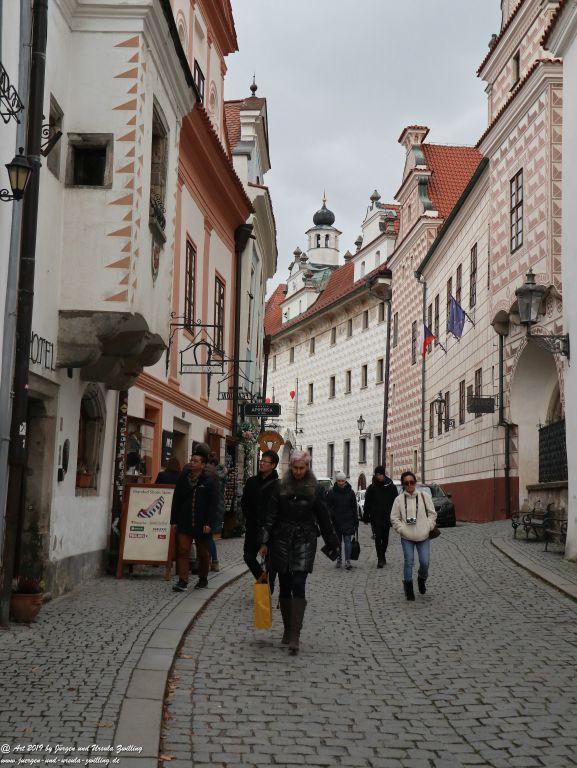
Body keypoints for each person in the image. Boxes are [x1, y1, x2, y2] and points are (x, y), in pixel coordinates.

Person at [259, 450, 339, 655]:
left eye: (301, 468)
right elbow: (270, 515)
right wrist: (264, 541)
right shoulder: (280, 486)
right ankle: (287, 628)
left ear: (307, 467)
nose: (298, 472)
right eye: (295, 468)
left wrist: (332, 542)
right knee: (285, 585)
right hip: (282, 539)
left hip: (305, 539)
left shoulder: (315, 488)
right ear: (290, 467)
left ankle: (295, 633)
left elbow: (324, 517)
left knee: (299, 583)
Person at [170, 448, 218, 592]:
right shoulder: (183, 478)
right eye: (191, 460)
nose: (192, 463)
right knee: (183, 550)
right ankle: (183, 581)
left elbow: (213, 504)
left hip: (201, 523)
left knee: (203, 553)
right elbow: (176, 500)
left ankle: (203, 578)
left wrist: (209, 523)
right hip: (184, 521)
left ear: (202, 465)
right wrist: (174, 521)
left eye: (196, 461)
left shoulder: (209, 481)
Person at [390, 470, 437, 600]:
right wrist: (402, 529)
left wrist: (428, 526)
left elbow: (432, 514)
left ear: (415, 483)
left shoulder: (424, 496)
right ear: (403, 484)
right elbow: (394, 518)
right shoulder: (398, 500)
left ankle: (421, 579)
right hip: (407, 537)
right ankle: (408, 589)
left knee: (425, 562)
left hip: (423, 535)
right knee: (409, 561)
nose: (409, 485)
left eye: (412, 482)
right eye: (406, 483)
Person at [241, 450, 279, 584]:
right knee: (248, 557)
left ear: (273, 465)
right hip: (252, 527)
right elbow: (244, 502)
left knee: (269, 562)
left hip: (269, 529)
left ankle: (268, 588)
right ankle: (262, 580)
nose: (261, 463)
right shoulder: (251, 482)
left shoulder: (278, 485)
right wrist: (248, 516)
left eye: (265, 462)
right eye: (261, 460)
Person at [363, 465, 398, 568]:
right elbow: (367, 502)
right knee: (378, 538)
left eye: (381, 474)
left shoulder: (391, 486)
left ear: (384, 474)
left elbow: (396, 502)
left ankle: (382, 554)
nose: (379, 477)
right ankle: (380, 559)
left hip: (387, 516)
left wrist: (396, 515)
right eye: (377, 475)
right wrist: (366, 515)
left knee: (385, 538)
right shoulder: (372, 488)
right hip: (375, 517)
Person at [326, 471, 358, 570]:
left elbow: (354, 507)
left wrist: (356, 521)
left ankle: (348, 561)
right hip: (336, 521)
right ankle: (339, 559)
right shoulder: (331, 492)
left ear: (345, 481)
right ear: (336, 481)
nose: (340, 483)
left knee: (348, 541)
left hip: (348, 520)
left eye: (342, 481)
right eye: (339, 481)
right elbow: (328, 506)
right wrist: (331, 516)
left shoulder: (351, 492)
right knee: (338, 542)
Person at [206, 453, 228, 572]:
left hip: (211, 508)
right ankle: (213, 561)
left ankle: (211, 561)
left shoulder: (211, 476)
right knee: (209, 536)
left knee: (207, 536)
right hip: (218, 507)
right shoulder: (222, 475)